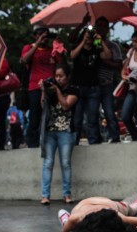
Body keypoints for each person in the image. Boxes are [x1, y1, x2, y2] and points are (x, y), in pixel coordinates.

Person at [39, 64, 79, 205]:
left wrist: (56, 90)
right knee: (48, 163)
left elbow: (65, 105)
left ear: (67, 77)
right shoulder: (51, 89)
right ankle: (45, 196)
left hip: (66, 132)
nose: (58, 78)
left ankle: (67, 194)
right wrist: (44, 90)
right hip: (49, 131)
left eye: (61, 76)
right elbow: (43, 105)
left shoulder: (73, 90)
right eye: (56, 76)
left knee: (65, 163)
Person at [20, 25, 65, 148]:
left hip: (51, 88)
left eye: (46, 34)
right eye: (40, 34)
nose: (44, 37)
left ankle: (50, 142)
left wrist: (59, 47)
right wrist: (37, 43)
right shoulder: (29, 47)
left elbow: (62, 66)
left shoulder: (52, 50)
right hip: (35, 87)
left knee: (53, 116)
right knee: (35, 116)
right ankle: (33, 144)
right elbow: (24, 60)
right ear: (35, 35)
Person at [70, 25, 112, 145]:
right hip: (78, 88)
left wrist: (100, 40)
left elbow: (108, 56)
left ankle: (94, 142)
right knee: (77, 119)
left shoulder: (96, 48)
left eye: (90, 35)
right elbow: (72, 55)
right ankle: (74, 142)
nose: (88, 37)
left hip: (93, 88)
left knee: (92, 118)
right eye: (86, 35)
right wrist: (83, 40)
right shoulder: (78, 48)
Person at [57, 189, 137, 232]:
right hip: (93, 205)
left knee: (132, 209)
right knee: (131, 209)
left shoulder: (113, 214)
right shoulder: (77, 218)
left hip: (109, 205)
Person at [95, 17, 124, 143]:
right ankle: (96, 138)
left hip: (107, 83)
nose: (100, 28)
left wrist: (106, 61)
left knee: (109, 112)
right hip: (93, 84)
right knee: (93, 114)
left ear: (107, 29)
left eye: (103, 26)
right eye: (98, 26)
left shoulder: (113, 46)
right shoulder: (91, 43)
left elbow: (119, 64)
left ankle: (115, 137)